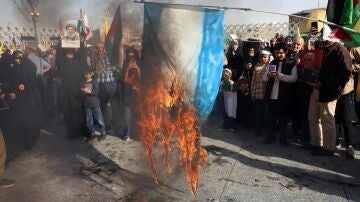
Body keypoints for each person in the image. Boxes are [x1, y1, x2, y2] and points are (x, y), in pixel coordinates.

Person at [307, 41, 352, 156]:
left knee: (327, 121)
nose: (325, 38)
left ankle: (328, 148)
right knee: (313, 117)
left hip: (329, 92)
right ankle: (316, 143)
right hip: (316, 89)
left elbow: (344, 75)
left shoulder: (341, 51)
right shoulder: (320, 46)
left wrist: (325, 83)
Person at [263, 43, 298, 145]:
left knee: (283, 118)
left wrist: (280, 76)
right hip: (272, 95)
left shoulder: (291, 63)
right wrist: (268, 75)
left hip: (284, 96)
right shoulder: (272, 62)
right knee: (272, 117)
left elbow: (294, 78)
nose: (279, 55)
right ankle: (271, 136)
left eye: (281, 53)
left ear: (286, 52)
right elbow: (264, 78)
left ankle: (283, 137)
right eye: (277, 53)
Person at [95, 42, 118, 135]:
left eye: (102, 48)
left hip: (112, 84)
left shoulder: (110, 57)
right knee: (104, 107)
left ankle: (114, 124)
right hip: (102, 85)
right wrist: (100, 61)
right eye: (98, 48)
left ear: (105, 49)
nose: (100, 50)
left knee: (114, 106)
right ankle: (107, 126)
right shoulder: (94, 58)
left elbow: (116, 68)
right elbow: (97, 72)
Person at [80, 69, 106, 141]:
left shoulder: (94, 82)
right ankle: (92, 133)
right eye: (85, 74)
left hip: (95, 104)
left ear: (91, 74)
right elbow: (81, 95)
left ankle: (103, 133)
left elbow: (96, 92)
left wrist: (87, 91)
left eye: (88, 74)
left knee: (99, 119)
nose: (87, 76)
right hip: (87, 104)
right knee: (89, 121)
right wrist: (82, 92)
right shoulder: (82, 82)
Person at [121, 47, 141, 140]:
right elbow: (124, 80)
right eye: (129, 54)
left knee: (137, 115)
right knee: (127, 115)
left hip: (137, 93)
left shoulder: (139, 63)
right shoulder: (124, 63)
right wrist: (128, 68)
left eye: (132, 54)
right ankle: (127, 133)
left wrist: (138, 69)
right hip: (127, 92)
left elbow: (142, 79)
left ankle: (136, 134)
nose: (131, 57)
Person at [251, 50, 271, 136]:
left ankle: (267, 129)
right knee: (257, 113)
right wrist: (252, 93)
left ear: (268, 58)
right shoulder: (256, 67)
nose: (263, 58)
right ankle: (258, 129)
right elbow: (253, 81)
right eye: (262, 57)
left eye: (265, 57)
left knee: (266, 114)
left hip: (267, 95)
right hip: (258, 94)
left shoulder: (271, 67)